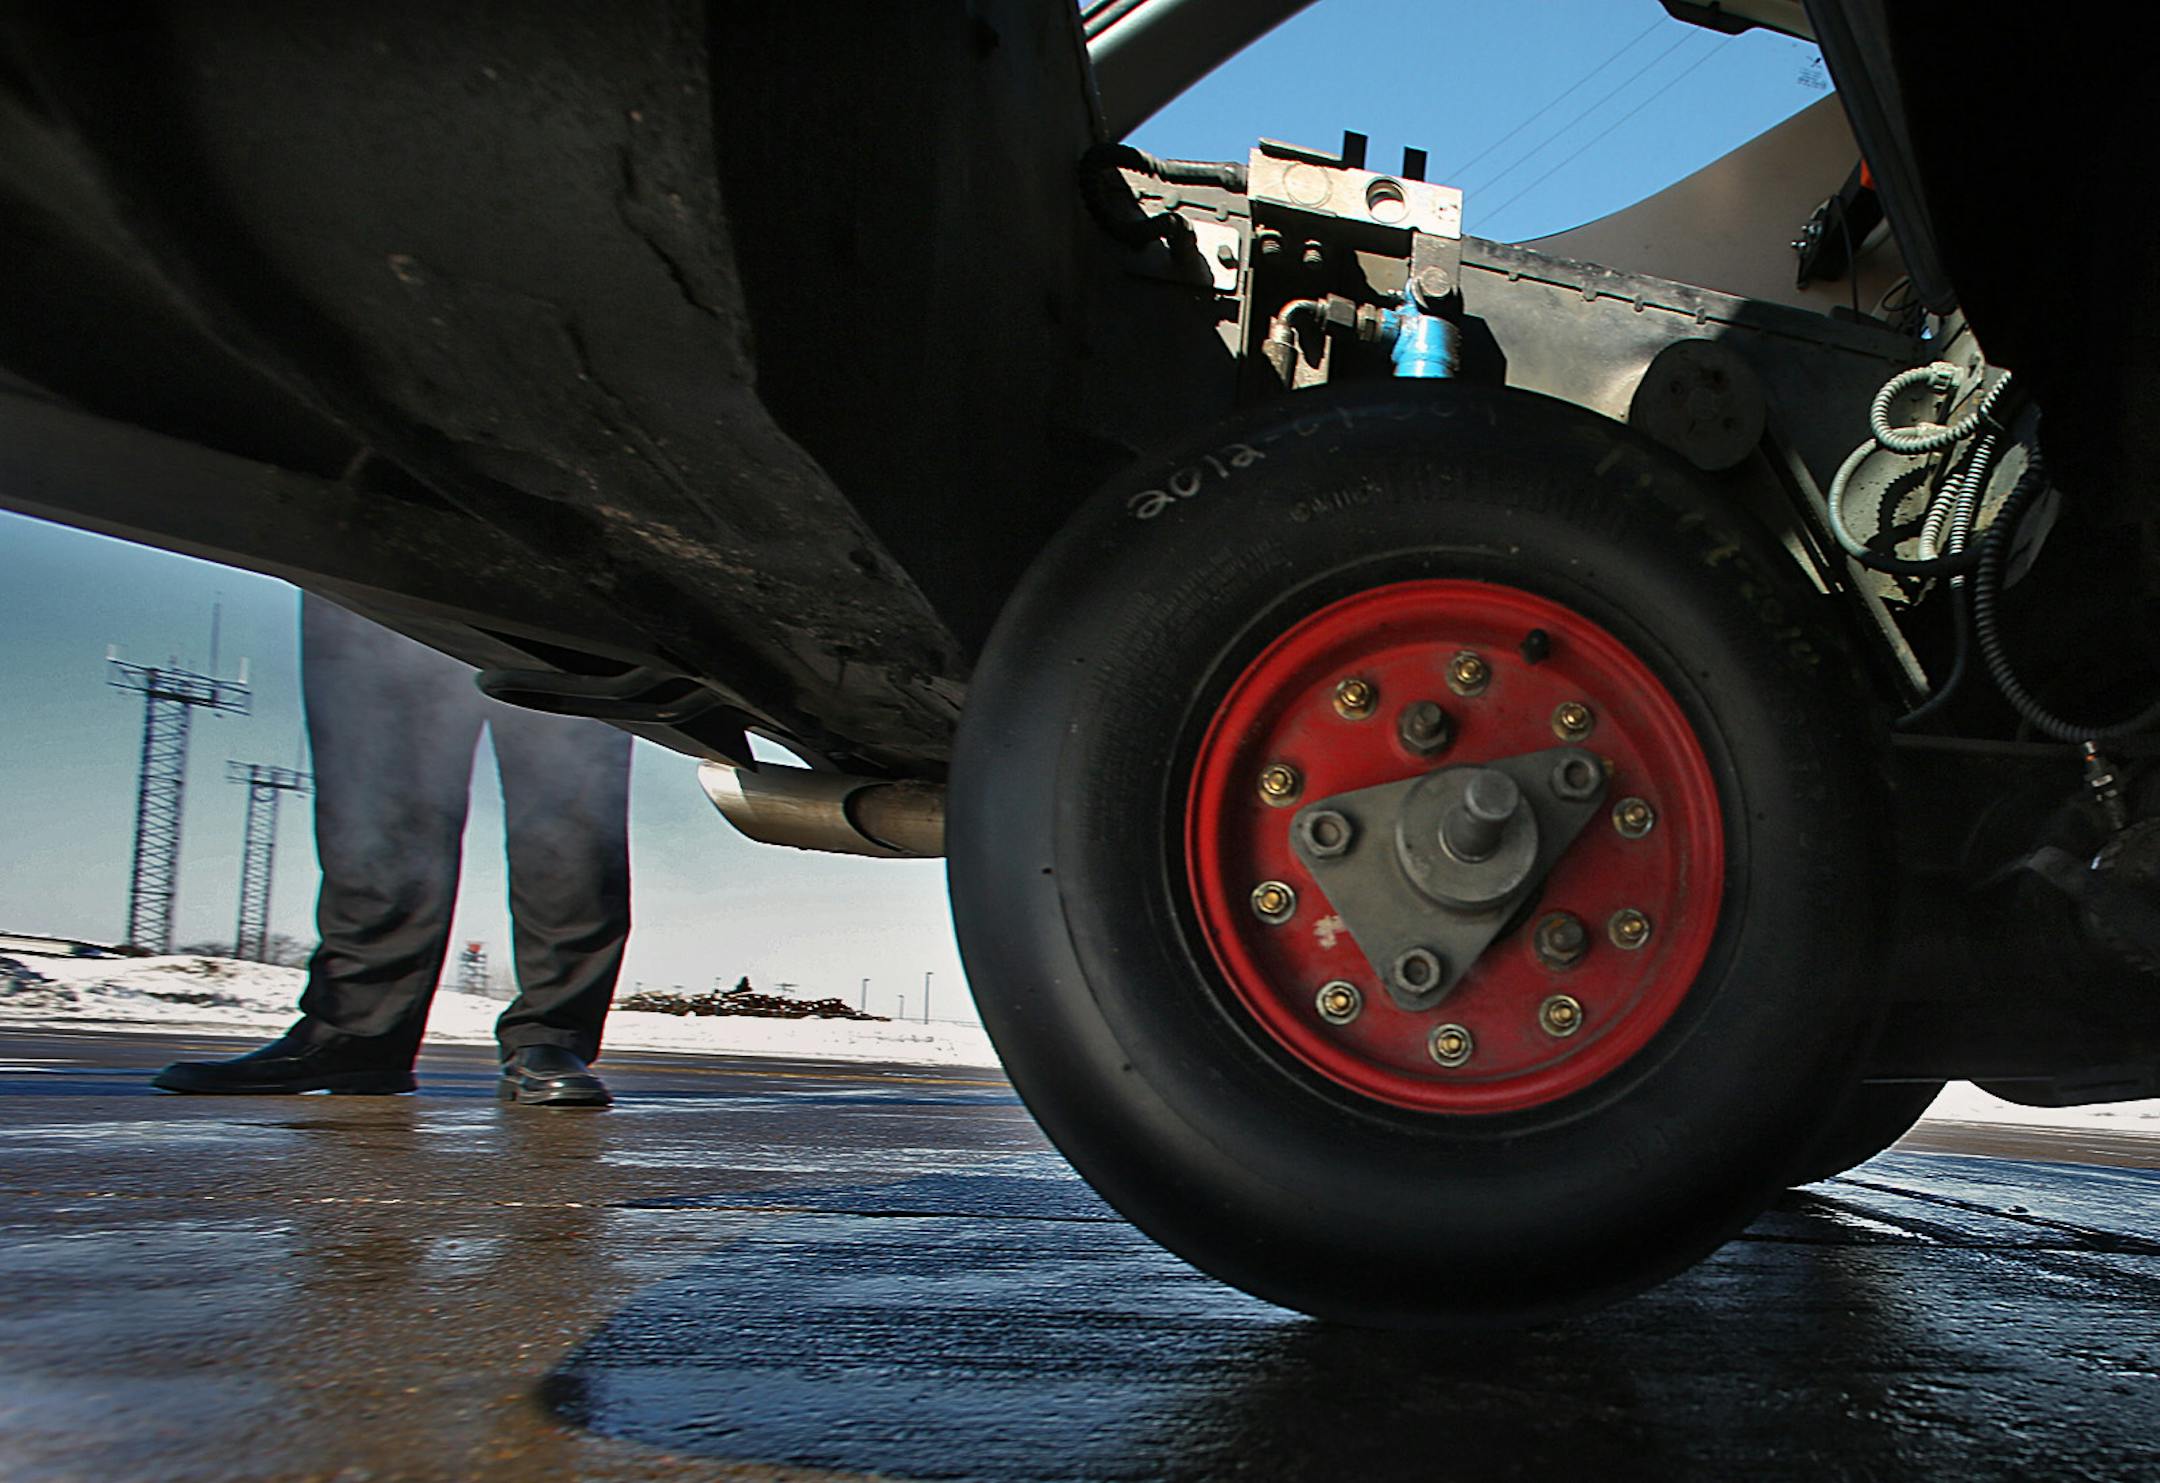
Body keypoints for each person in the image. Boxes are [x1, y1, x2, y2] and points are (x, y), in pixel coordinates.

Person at [154, 594, 632, 1106]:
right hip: (377, 563)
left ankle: (552, 1034)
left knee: (571, 812)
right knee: (376, 807)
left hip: (560, 572)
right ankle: (356, 1033)